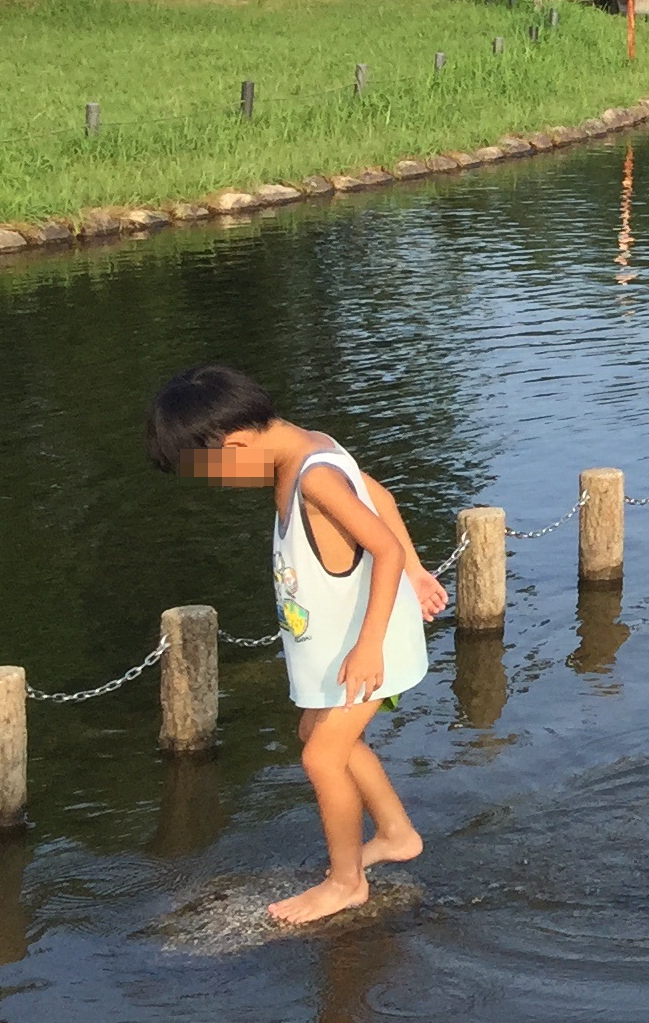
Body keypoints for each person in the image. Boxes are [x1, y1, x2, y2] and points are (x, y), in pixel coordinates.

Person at [149, 365, 443, 926]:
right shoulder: (312, 447)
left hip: (368, 644)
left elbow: (382, 547)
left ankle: (345, 882)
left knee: (321, 755)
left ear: (234, 446)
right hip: (341, 640)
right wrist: (420, 570)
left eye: (212, 474)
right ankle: (396, 834)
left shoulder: (312, 476)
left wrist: (375, 638)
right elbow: (377, 493)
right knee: (316, 733)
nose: (219, 486)